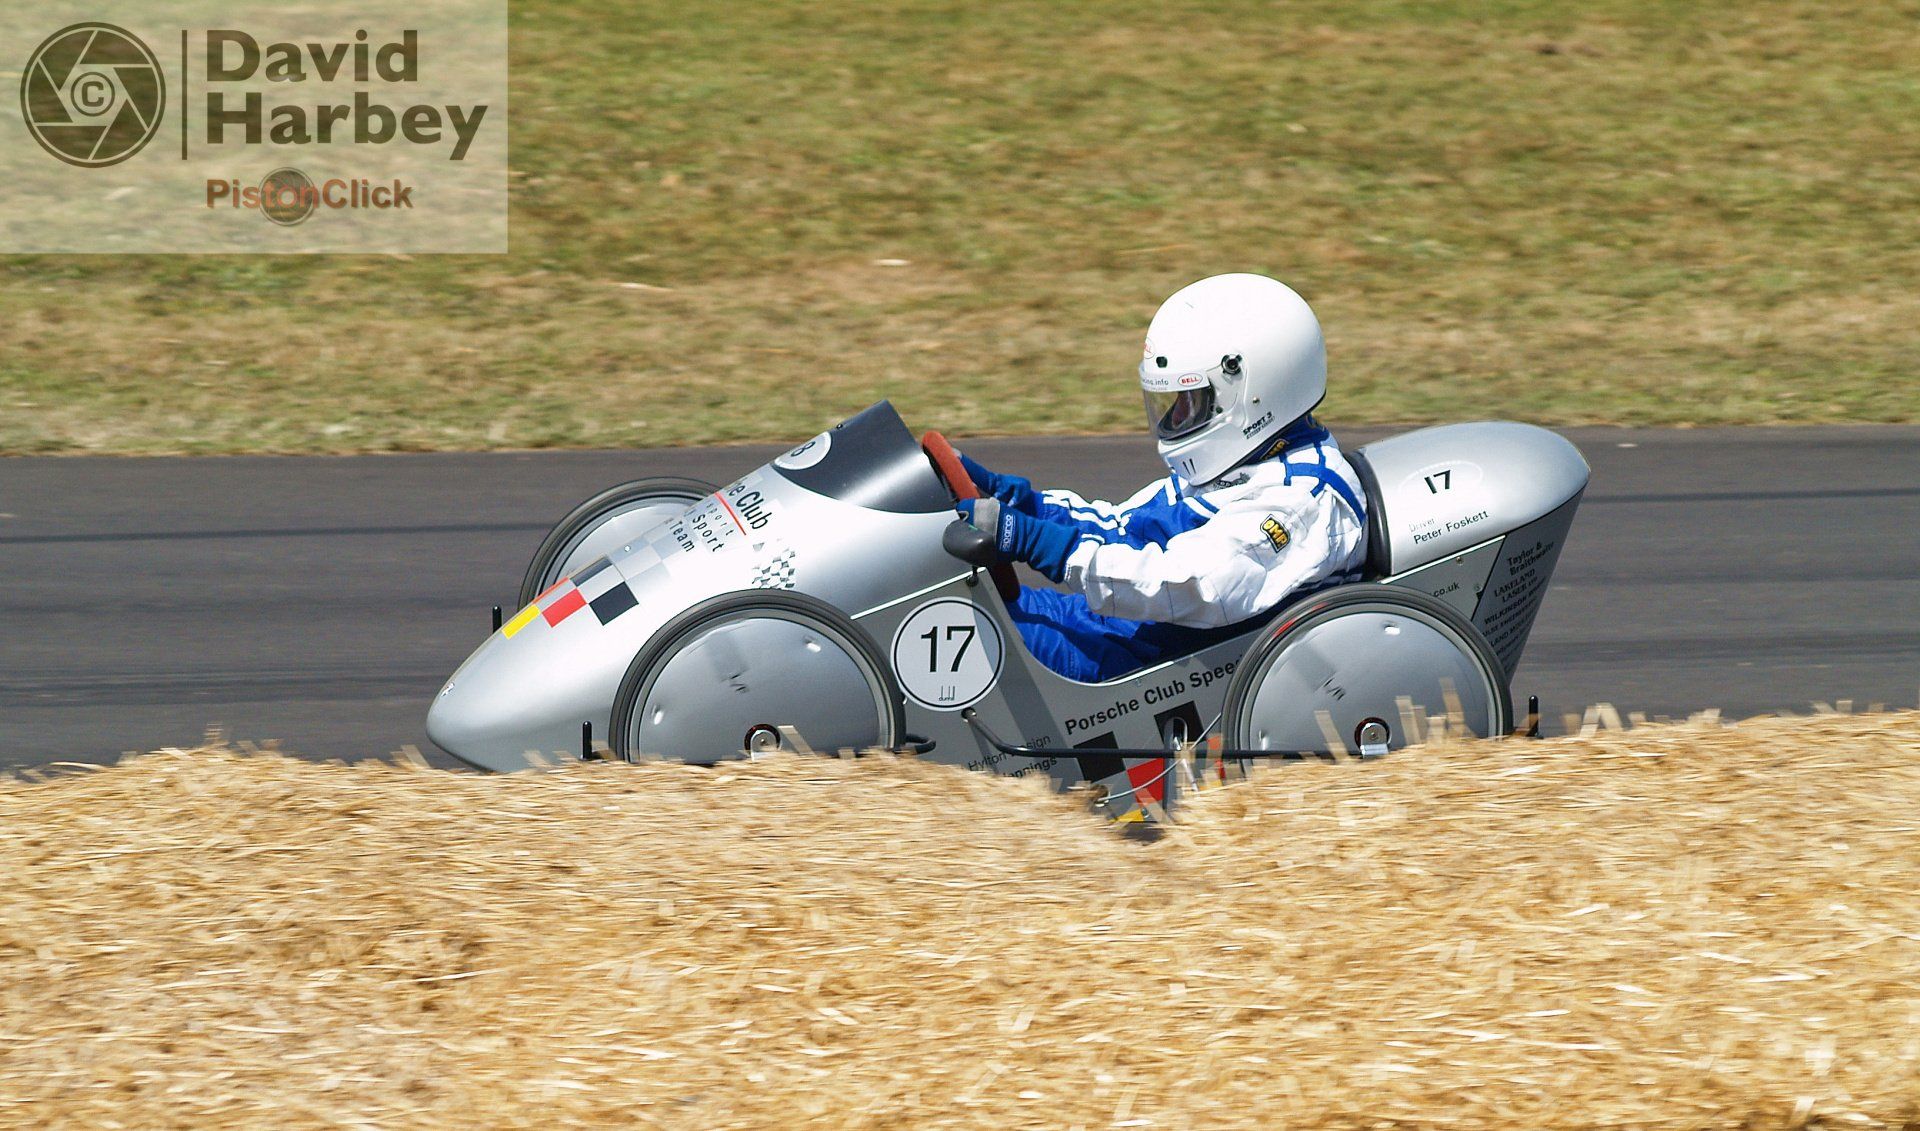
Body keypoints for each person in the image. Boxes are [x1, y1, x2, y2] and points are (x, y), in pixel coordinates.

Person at [955, 273, 1368, 683]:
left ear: (1256, 394)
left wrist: (1037, 544)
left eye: (1193, 401)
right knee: (959, 606)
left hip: (1153, 669)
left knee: (963, 637)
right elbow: (1121, 527)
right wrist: (1020, 504)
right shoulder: (1242, 464)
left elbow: (1188, 583)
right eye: (1177, 402)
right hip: (1118, 629)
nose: (1176, 419)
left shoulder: (1304, 498)